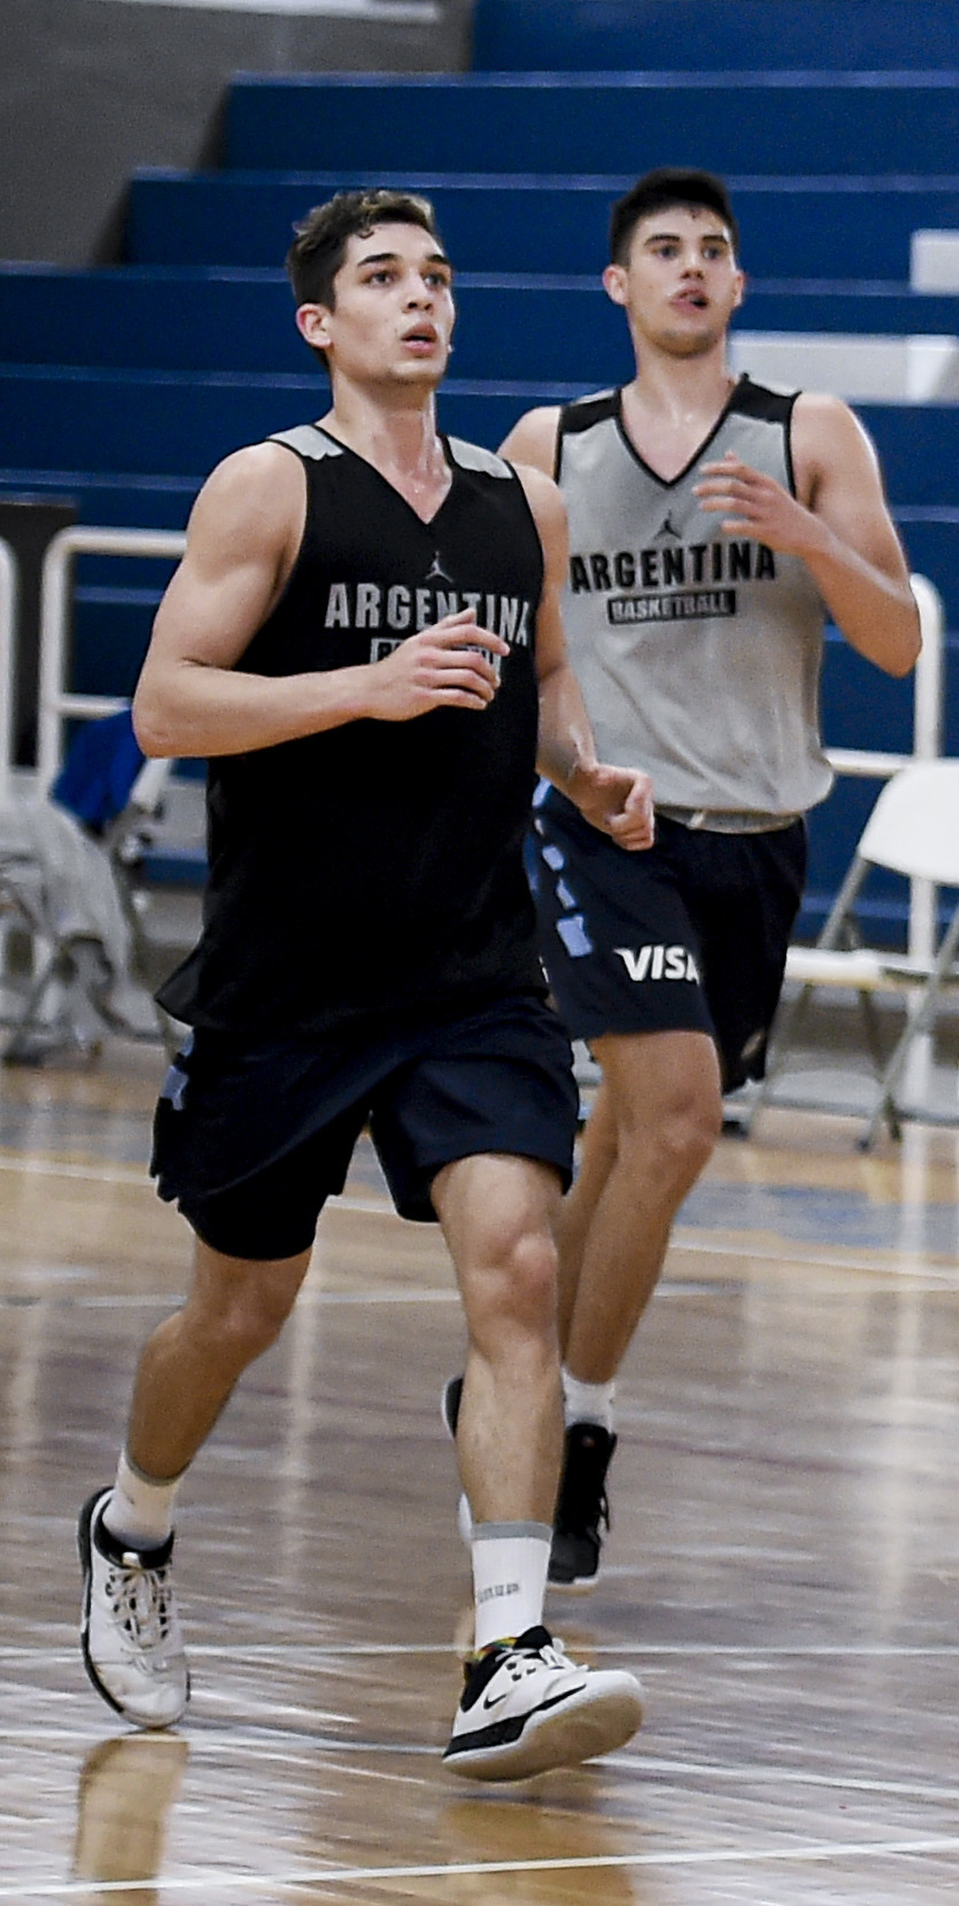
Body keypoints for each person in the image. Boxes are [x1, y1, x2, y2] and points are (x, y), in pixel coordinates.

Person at [79, 190, 654, 1780]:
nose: (423, 300)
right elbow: (166, 709)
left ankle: (508, 1650)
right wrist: (366, 688)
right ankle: (134, 1531)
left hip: (471, 975)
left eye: (439, 277)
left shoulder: (517, 504)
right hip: (288, 983)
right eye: (383, 279)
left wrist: (588, 775)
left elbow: (538, 682)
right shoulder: (269, 488)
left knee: (519, 1267)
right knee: (239, 1306)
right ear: (319, 323)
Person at [497, 167, 921, 1586]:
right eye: (664, 250)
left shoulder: (809, 434)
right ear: (617, 286)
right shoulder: (547, 446)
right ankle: (581, 1429)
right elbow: (514, 662)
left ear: (739, 286)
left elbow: (900, 642)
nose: (692, 268)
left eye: (715, 251)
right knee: (674, 1123)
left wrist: (806, 538)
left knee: (637, 1128)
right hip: (608, 819)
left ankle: (512, 1390)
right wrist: (563, 773)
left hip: (760, 834)